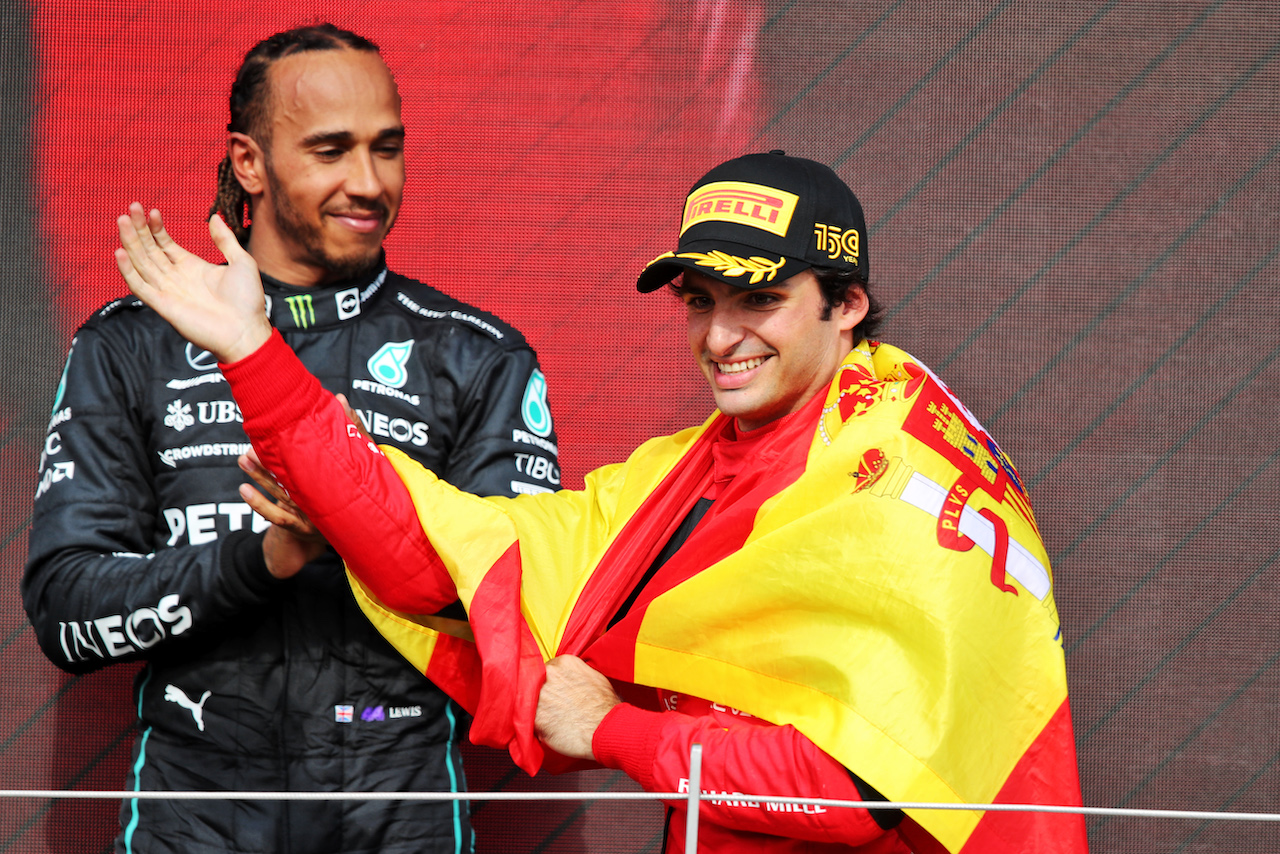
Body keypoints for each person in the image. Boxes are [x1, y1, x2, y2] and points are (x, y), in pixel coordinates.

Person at [114, 152, 1088, 853]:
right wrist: (256, 355)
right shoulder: (688, 471)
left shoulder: (889, 475)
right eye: (698, 301)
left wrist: (616, 728)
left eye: (757, 299)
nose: (718, 336)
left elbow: (856, 794)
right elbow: (441, 565)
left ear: (845, 305)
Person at [23, 24, 558, 854]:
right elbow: (66, 615)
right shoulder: (132, 344)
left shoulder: (474, 356)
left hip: (399, 808)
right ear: (249, 163)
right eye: (331, 150)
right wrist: (260, 561)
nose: (369, 182)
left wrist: (357, 525)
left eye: (387, 149)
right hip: (195, 813)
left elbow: (522, 614)